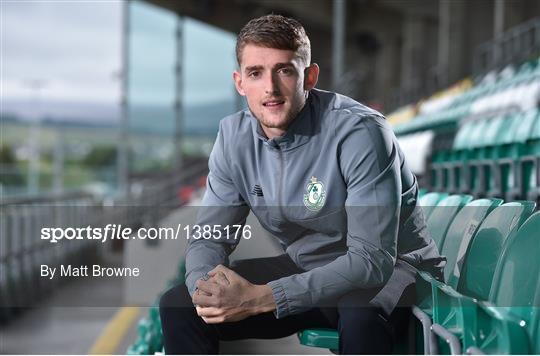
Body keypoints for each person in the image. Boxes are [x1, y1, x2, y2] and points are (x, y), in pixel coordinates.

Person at [159, 14, 444, 354]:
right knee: (180, 305)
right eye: (255, 73)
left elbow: (371, 260)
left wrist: (263, 297)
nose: (270, 88)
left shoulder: (361, 132)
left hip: (395, 272)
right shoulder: (232, 138)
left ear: (309, 76)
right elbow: (209, 237)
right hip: (310, 269)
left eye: (284, 70)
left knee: (359, 314)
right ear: (239, 82)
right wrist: (205, 289)